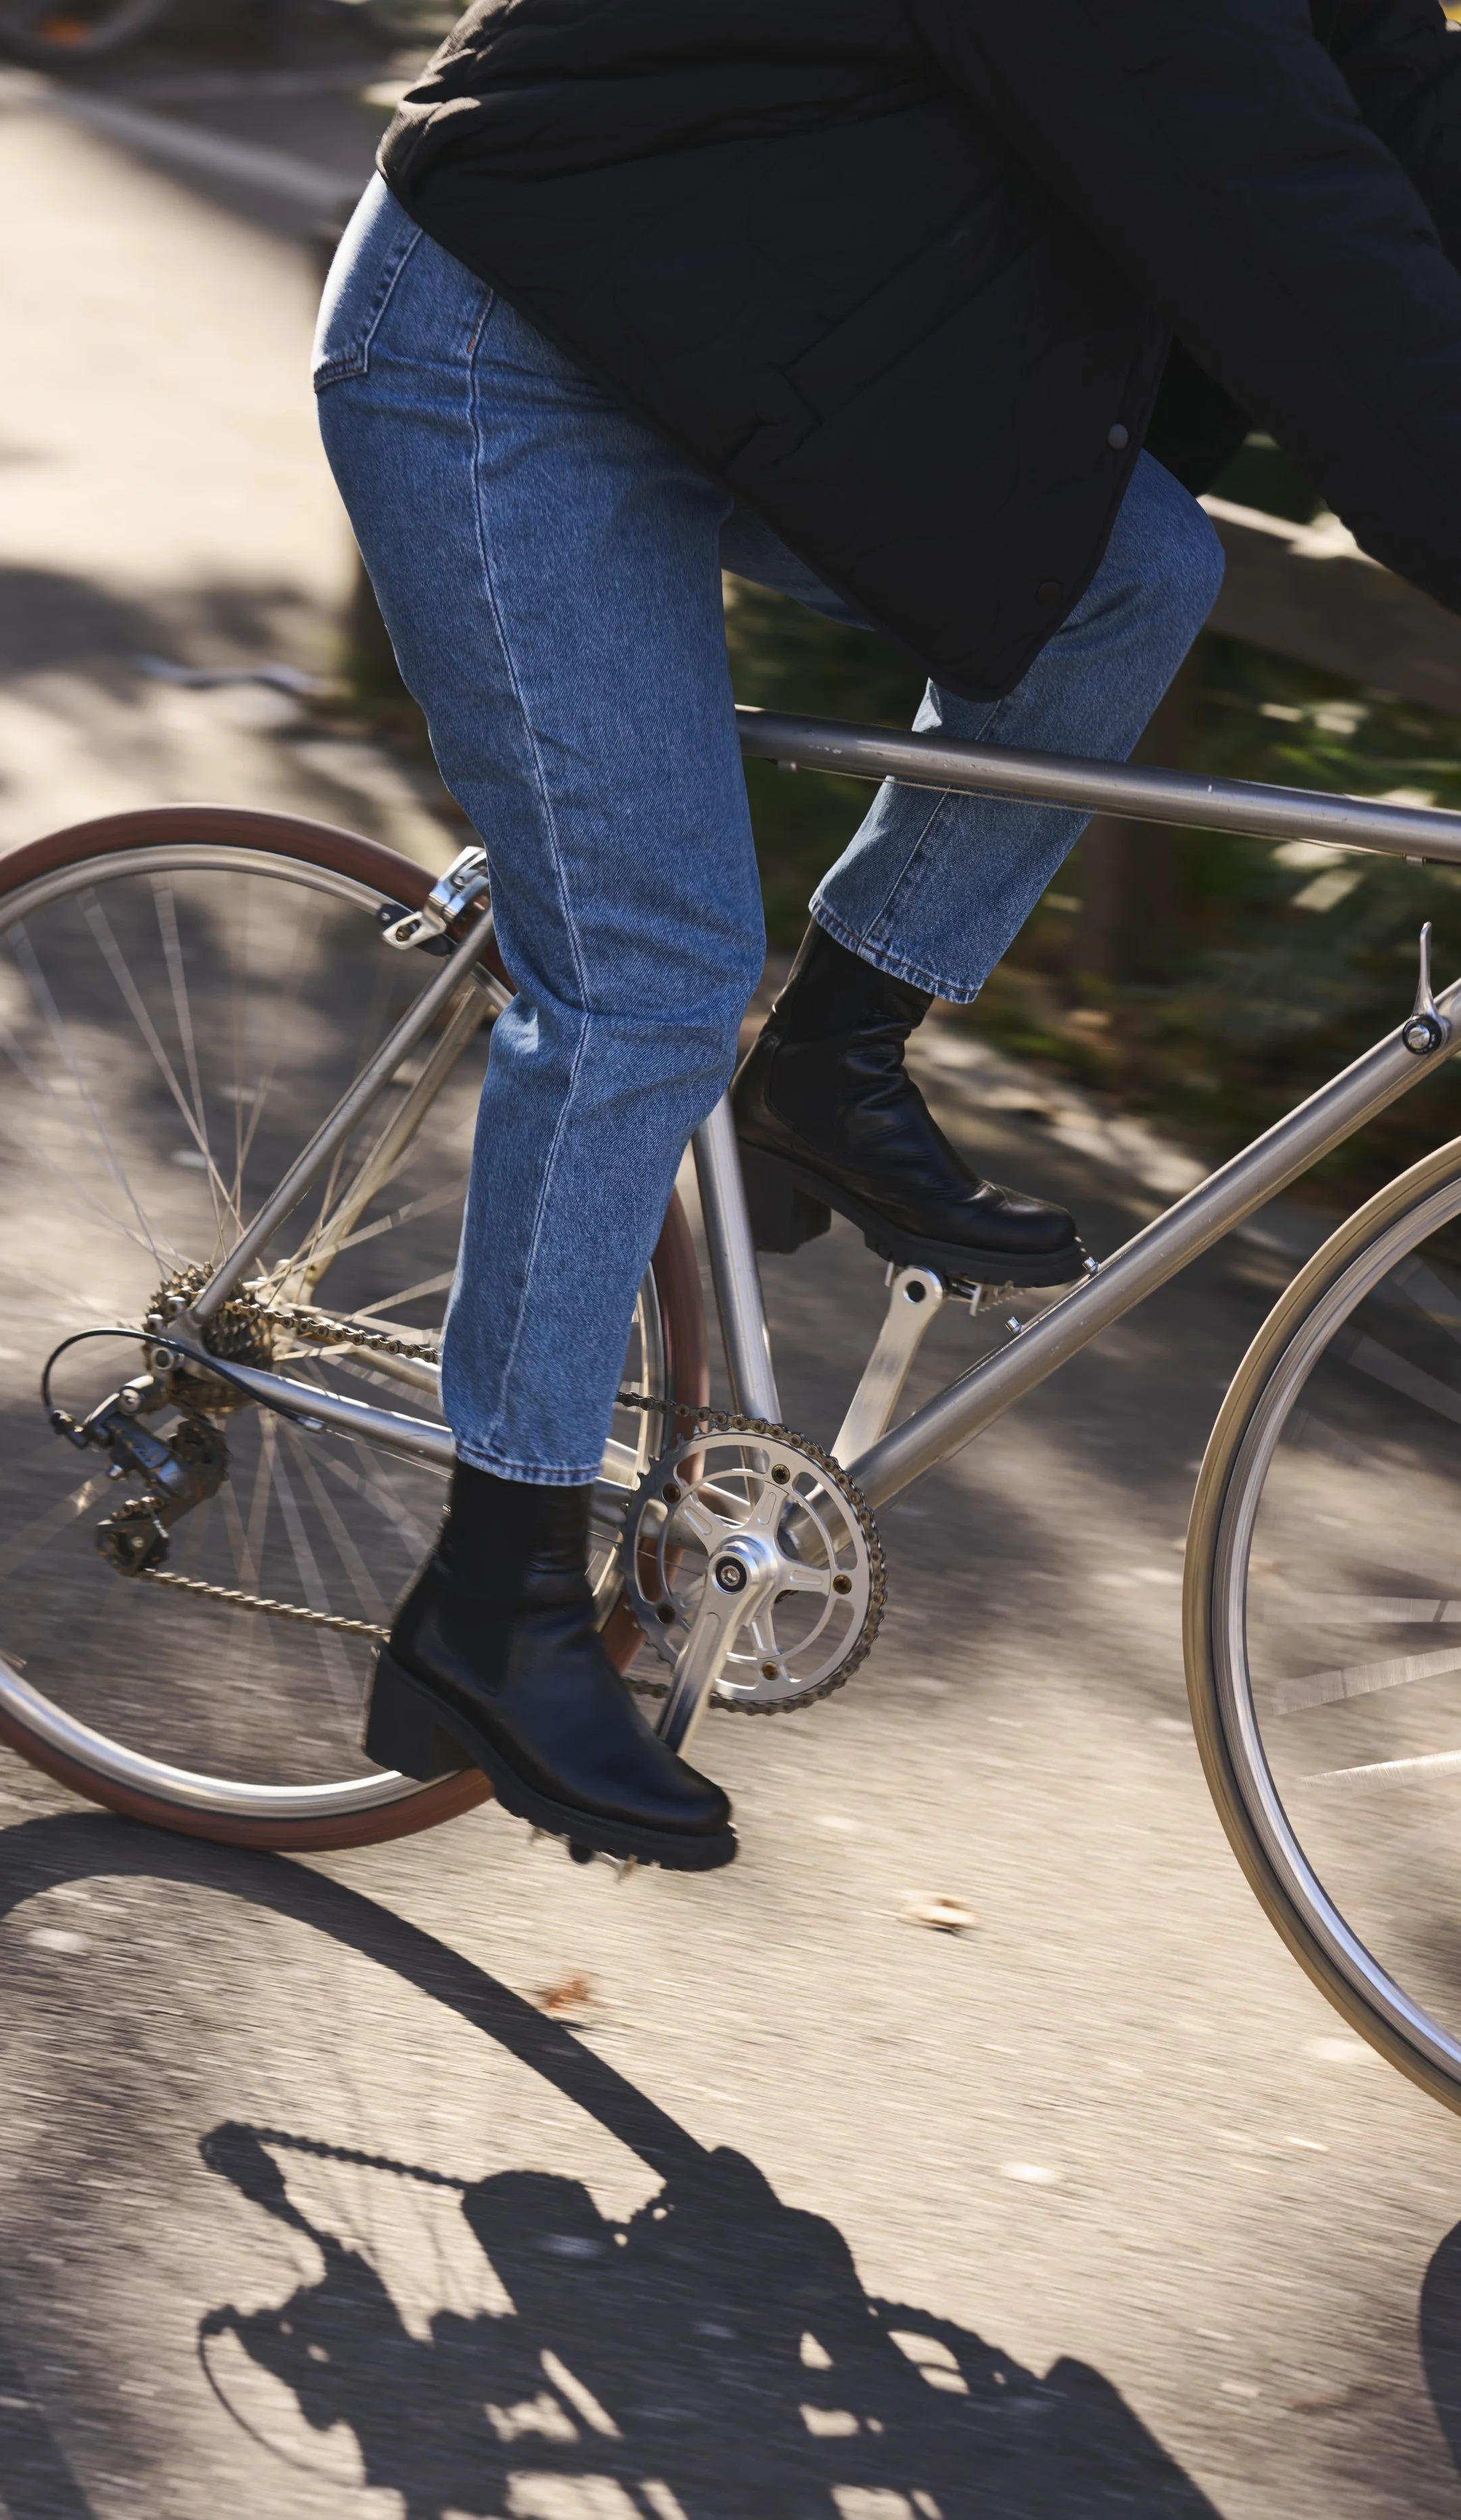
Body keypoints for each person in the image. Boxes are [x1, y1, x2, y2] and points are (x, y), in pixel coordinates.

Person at [317, 0, 1461, 1872]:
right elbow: (1287, 223)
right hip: (502, 337)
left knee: (1136, 570)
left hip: (752, 334)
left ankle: (830, 1061)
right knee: (649, 973)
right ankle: (491, 1604)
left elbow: (1396, 108)